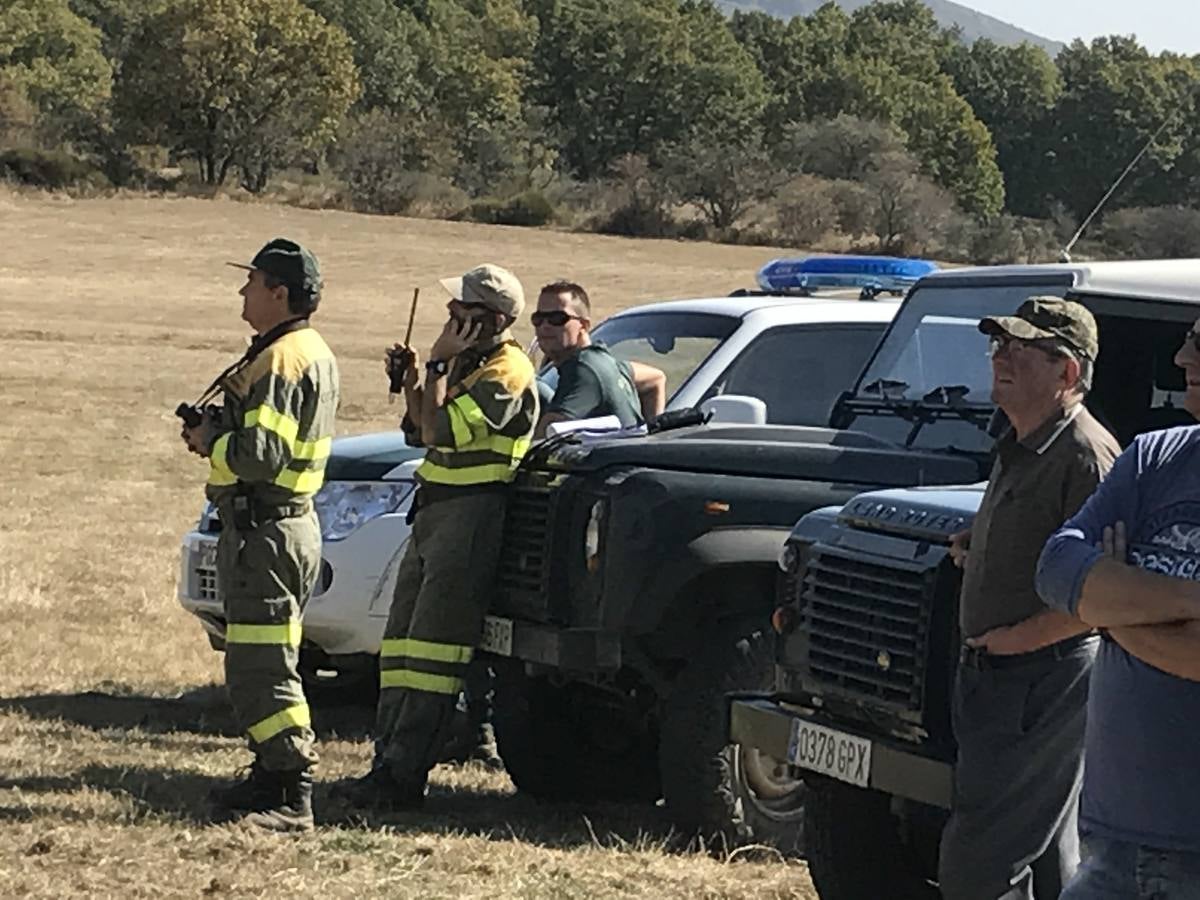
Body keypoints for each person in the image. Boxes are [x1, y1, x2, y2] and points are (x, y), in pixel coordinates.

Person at [336, 263, 538, 810]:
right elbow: (416, 430)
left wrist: (439, 364)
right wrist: (414, 382)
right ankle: (386, 762)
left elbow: (441, 430)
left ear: (492, 320)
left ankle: (405, 775)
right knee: (401, 646)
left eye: (462, 312)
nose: (450, 316)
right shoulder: (470, 363)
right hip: (433, 513)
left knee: (432, 654)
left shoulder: (507, 371)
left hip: (470, 518)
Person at [937, 298, 1119, 899]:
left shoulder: (1086, 456)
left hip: (1040, 680)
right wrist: (979, 544)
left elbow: (1102, 593)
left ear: (1067, 373)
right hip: (999, 678)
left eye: (1020, 349)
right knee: (1043, 855)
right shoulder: (1023, 439)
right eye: (998, 346)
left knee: (980, 862)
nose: (1001, 359)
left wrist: (1014, 642)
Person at [181, 238, 340, 832]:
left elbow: (262, 456)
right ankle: (270, 774)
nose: (241, 293)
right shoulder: (300, 351)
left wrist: (211, 442)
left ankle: (291, 791)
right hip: (274, 530)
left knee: (264, 665)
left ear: (279, 293)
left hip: (269, 532)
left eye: (251, 283)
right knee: (257, 659)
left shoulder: (282, 359)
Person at [1037, 320, 1200, 898]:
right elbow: (1057, 570)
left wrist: (1115, 606)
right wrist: (1182, 604)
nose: (1181, 356)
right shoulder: (1155, 458)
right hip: (1111, 845)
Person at [532, 281, 665, 437]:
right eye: (538, 319)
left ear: (584, 325)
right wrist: (653, 435)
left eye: (557, 318)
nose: (544, 326)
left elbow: (545, 437)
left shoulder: (584, 369)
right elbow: (656, 378)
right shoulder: (604, 362)